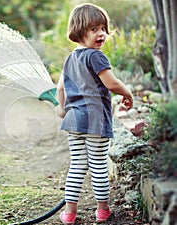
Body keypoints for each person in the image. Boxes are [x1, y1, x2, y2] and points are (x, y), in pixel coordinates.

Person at [55, 3, 134, 224]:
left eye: (102, 28)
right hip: (95, 122)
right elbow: (111, 83)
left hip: (73, 121)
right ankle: (102, 210)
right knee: (98, 166)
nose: (101, 34)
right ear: (79, 31)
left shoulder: (70, 58)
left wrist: (60, 107)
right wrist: (128, 92)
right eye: (93, 29)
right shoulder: (96, 56)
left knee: (77, 166)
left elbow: (60, 88)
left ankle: (69, 214)